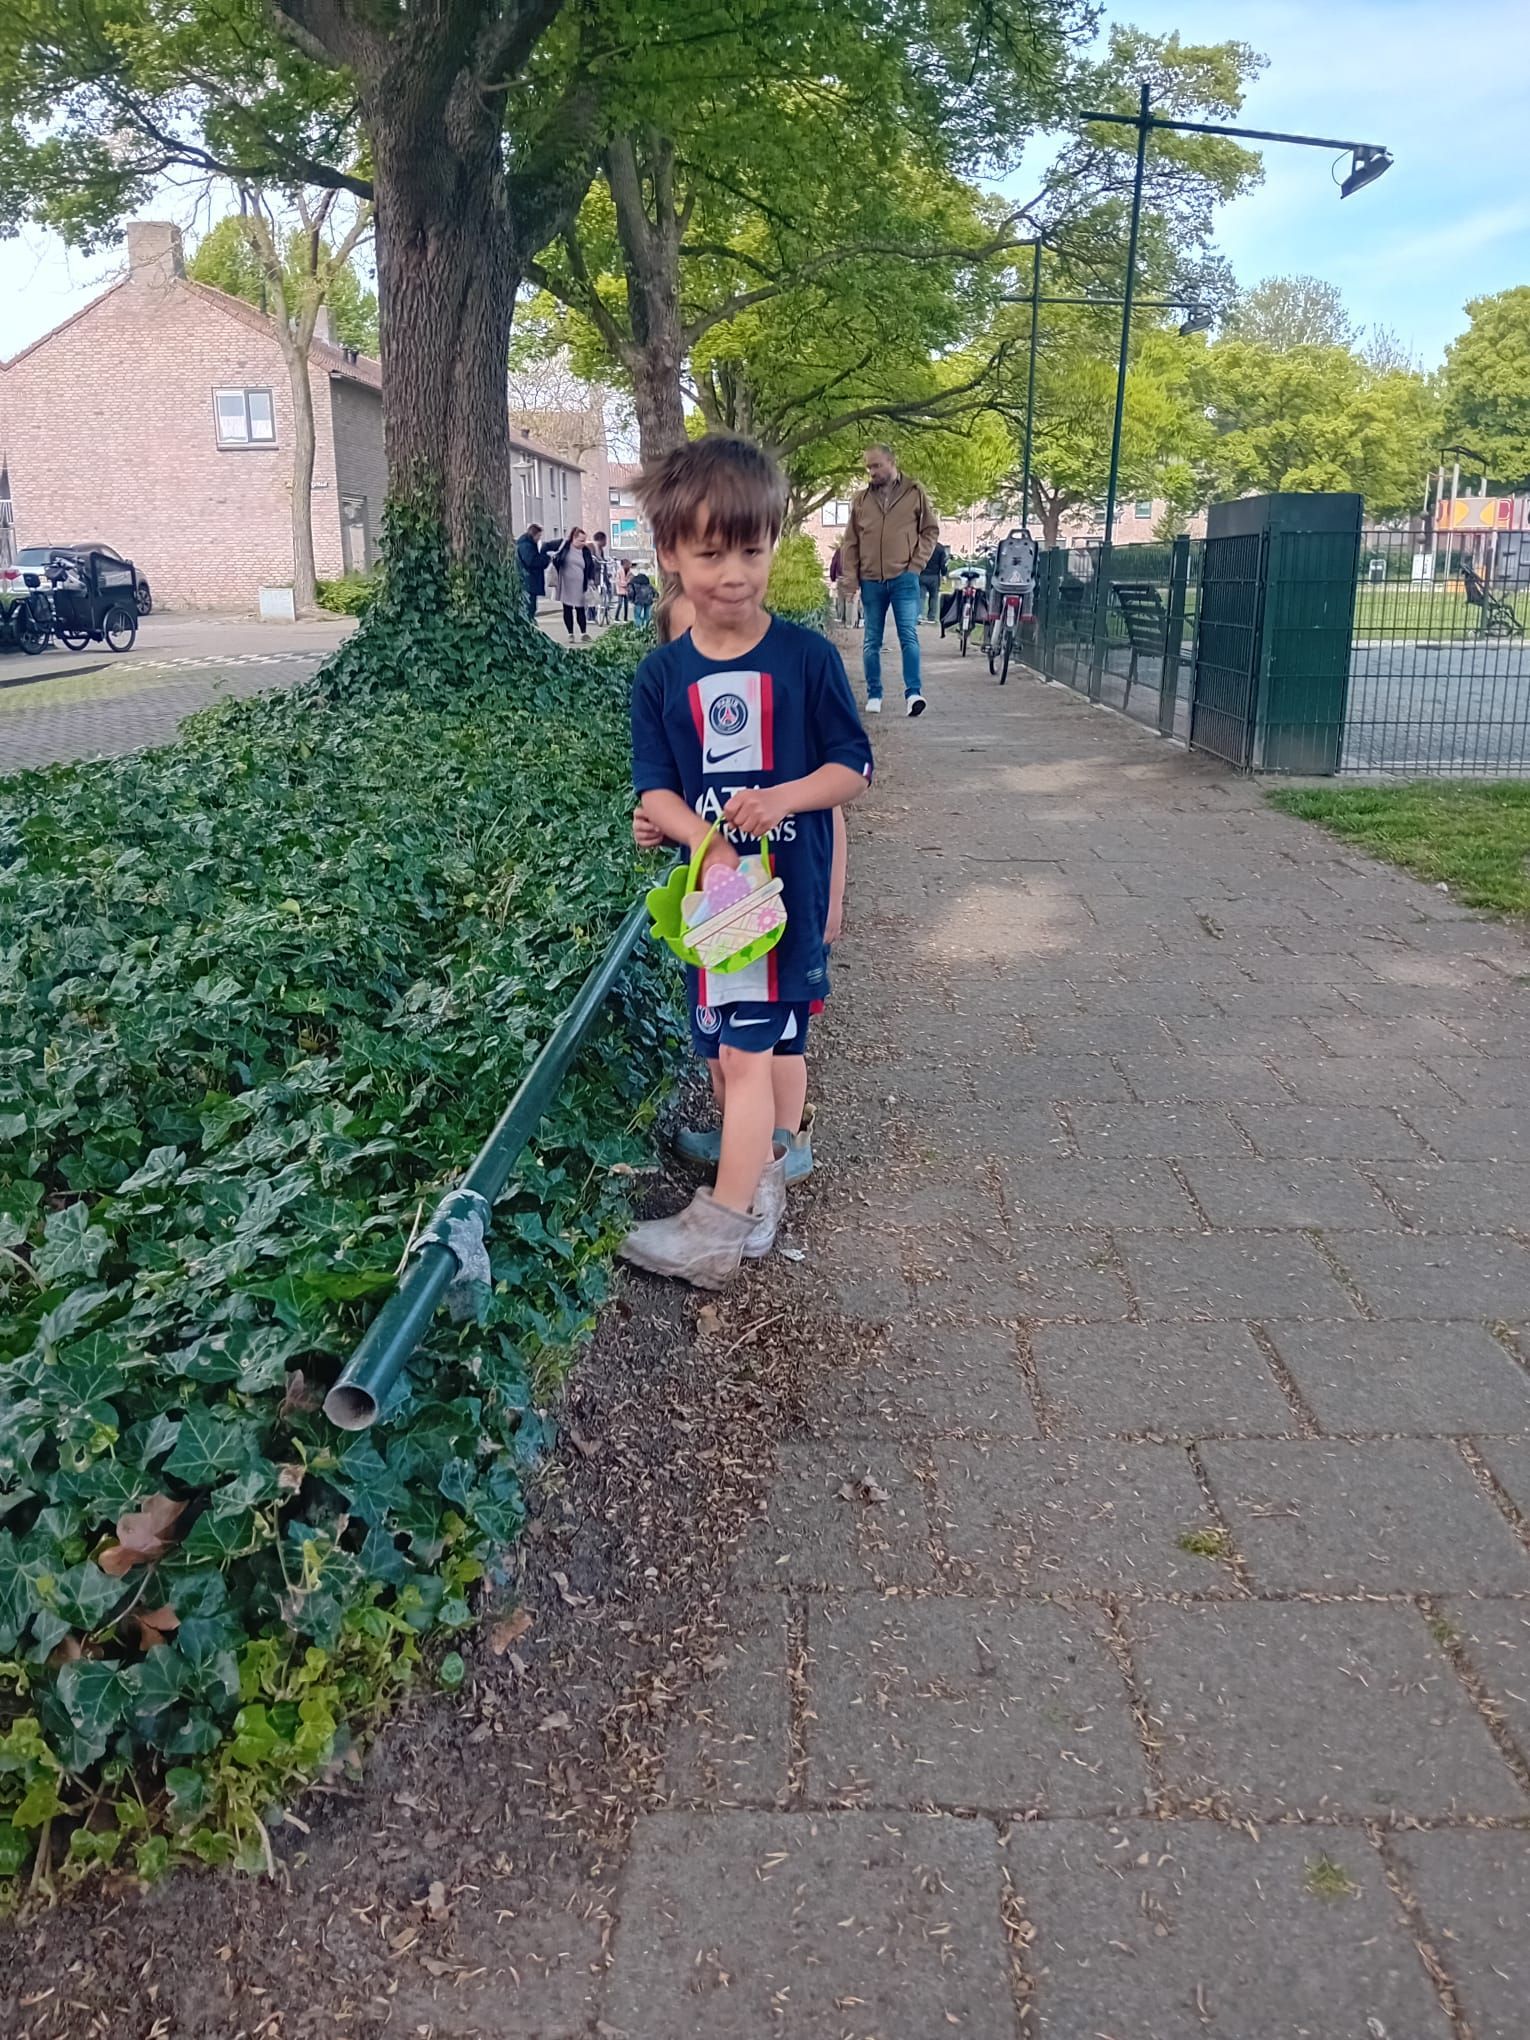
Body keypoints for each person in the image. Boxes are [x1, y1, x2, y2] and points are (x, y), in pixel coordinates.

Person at [622, 435, 873, 1289]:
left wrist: (785, 798)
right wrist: (706, 842)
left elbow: (853, 767)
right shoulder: (661, 676)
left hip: (785, 899)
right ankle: (759, 1200)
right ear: (669, 554)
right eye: (710, 554)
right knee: (732, 1053)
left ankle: (719, 1229)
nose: (734, 575)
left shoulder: (807, 659)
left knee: (746, 1056)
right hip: (718, 906)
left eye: (752, 552)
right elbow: (655, 789)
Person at [838, 443, 940, 717]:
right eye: (868, 467)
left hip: (904, 578)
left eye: (876, 465)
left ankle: (914, 693)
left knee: (908, 635)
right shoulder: (861, 501)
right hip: (871, 580)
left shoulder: (914, 493)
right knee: (871, 639)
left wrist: (915, 566)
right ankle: (874, 694)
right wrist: (851, 579)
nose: (872, 471)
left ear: (892, 462)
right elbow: (851, 543)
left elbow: (930, 531)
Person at [552, 527, 599, 640]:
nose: (583, 543)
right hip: (566, 584)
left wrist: (591, 579)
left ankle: (583, 633)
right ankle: (570, 634)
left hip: (581, 584)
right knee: (567, 608)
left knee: (580, 608)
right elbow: (556, 557)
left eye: (584, 540)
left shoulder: (585, 551)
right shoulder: (565, 547)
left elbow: (590, 566)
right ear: (574, 538)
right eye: (581, 540)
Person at [515, 523, 553, 620]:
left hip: (528, 581)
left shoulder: (525, 544)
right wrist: (546, 559)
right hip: (529, 582)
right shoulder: (526, 546)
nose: (539, 539)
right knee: (530, 608)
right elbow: (532, 561)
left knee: (531, 607)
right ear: (534, 535)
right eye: (538, 536)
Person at [919, 538, 949, 624]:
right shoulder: (940, 548)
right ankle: (931, 617)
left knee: (921, 596)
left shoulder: (922, 546)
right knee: (934, 597)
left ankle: (919, 615)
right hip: (934, 576)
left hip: (922, 574)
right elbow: (943, 564)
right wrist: (944, 574)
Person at [592, 530, 615, 624]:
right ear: (601, 540)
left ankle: (607, 604)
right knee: (593, 591)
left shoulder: (600, 549)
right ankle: (592, 613)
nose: (606, 542)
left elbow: (602, 560)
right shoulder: (592, 547)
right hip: (595, 572)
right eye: (605, 540)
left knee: (608, 586)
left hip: (601, 571)